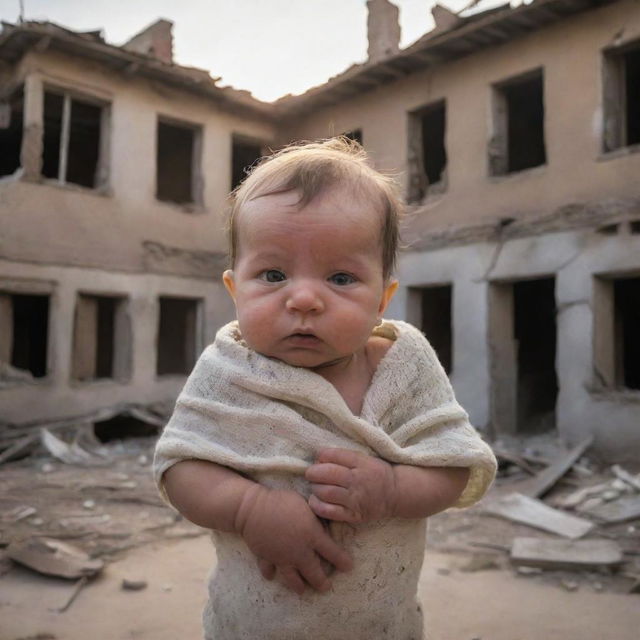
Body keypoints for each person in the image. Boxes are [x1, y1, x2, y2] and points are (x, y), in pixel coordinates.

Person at [153, 137, 497, 640]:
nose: (305, 299)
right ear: (234, 289)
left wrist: (393, 489)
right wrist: (249, 509)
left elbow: (455, 463)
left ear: (382, 298)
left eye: (340, 277)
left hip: (380, 623)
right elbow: (180, 466)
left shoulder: (403, 366)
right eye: (273, 274)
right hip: (251, 624)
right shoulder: (228, 369)